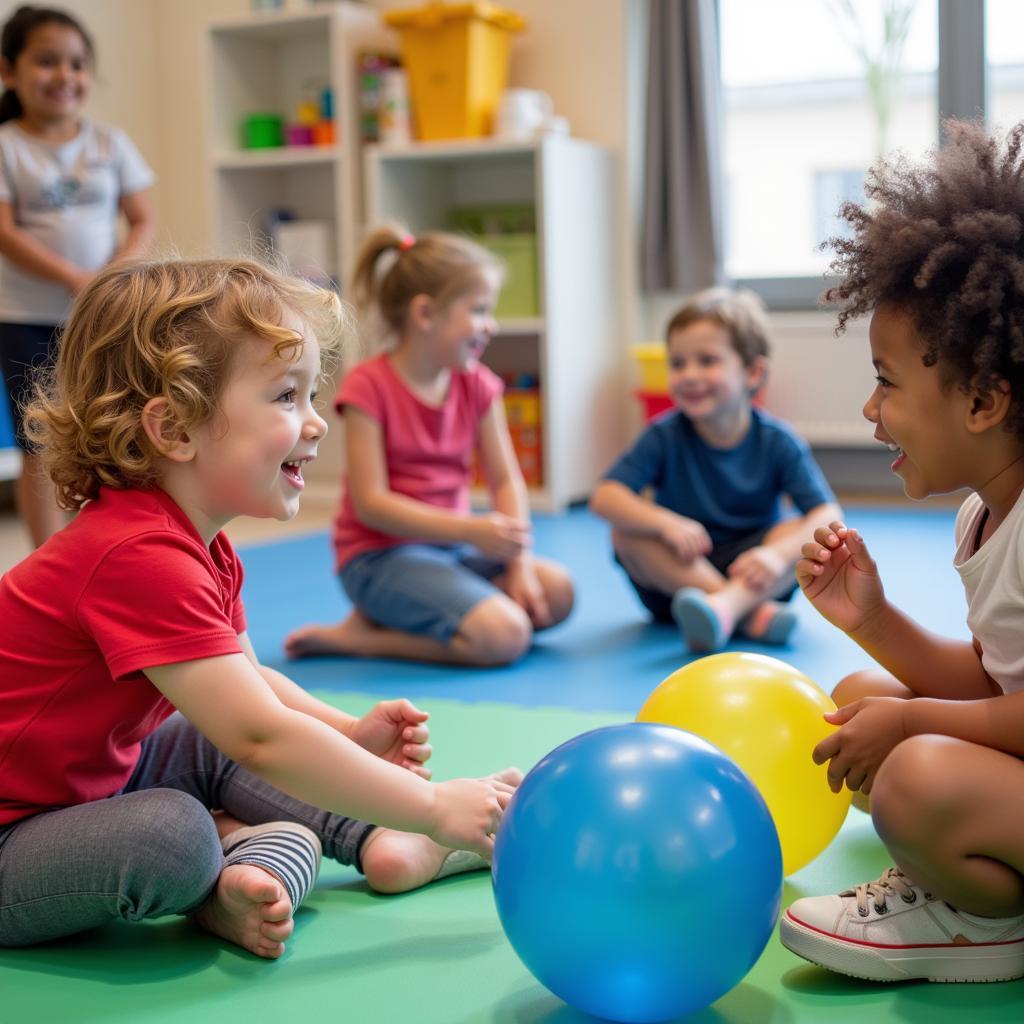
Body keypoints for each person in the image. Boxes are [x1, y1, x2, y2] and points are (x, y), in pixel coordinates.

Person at [0, 258, 520, 960]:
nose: (315, 424)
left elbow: (252, 688)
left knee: (215, 737)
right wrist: (432, 803)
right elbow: (261, 738)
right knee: (173, 835)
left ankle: (378, 841)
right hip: (15, 832)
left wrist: (347, 730)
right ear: (174, 428)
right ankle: (253, 851)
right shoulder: (134, 556)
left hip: (92, 779)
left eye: (311, 396)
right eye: (285, 397)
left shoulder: (196, 542)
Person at [779, 121, 1024, 984]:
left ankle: (983, 923)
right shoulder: (985, 516)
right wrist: (873, 621)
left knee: (912, 770)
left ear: (985, 399)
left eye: (887, 381)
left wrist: (917, 721)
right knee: (853, 707)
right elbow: (1002, 684)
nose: (870, 409)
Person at [284, 226, 574, 667]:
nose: (490, 325)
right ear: (425, 314)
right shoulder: (368, 386)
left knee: (557, 594)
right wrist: (470, 529)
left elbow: (506, 480)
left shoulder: (478, 384)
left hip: (451, 551)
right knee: (506, 636)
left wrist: (520, 567)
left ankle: (460, 612)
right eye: (478, 310)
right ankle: (363, 639)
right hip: (379, 560)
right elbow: (371, 504)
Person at [589, 288, 840, 653]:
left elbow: (828, 512)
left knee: (802, 536)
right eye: (677, 363)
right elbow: (605, 496)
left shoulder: (777, 440)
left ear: (753, 373)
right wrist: (666, 523)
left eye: (707, 361)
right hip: (679, 581)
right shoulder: (664, 434)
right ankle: (744, 614)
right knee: (625, 534)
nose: (689, 375)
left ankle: (726, 609)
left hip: (755, 574)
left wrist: (775, 554)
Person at [0, 5, 155, 548]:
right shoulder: (8, 146)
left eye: (77, 64)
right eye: (46, 62)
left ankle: (106, 546)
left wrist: (114, 275)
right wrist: (72, 276)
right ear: (8, 71)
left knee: (111, 432)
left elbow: (142, 218)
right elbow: (4, 230)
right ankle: (47, 557)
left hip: (100, 318)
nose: (65, 76)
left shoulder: (109, 143)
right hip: (26, 318)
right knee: (39, 444)